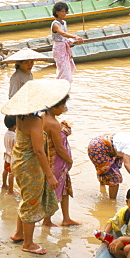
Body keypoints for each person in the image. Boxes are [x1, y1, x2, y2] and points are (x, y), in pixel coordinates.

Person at [1, 78, 70, 256]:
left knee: (26, 198)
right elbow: (39, 152)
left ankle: (19, 234)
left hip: (19, 161)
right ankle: (29, 243)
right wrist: (50, 175)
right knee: (31, 201)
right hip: (29, 165)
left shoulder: (21, 117)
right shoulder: (35, 121)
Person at [42, 93, 77, 227]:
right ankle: (47, 220)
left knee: (64, 188)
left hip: (50, 159)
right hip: (56, 161)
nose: (64, 108)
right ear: (55, 107)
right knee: (55, 189)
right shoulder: (53, 123)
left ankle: (66, 218)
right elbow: (59, 148)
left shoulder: (42, 118)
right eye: (63, 106)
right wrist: (70, 160)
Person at [50, 2, 84, 82]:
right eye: (62, 11)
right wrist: (75, 36)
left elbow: (65, 37)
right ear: (57, 12)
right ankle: (63, 84)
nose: (64, 13)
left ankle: (61, 84)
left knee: (65, 68)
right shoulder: (55, 24)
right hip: (59, 49)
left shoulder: (64, 22)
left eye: (65, 11)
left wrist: (75, 40)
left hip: (64, 47)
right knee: (63, 69)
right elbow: (63, 33)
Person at [2, 115, 16, 194]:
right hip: (12, 157)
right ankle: (11, 191)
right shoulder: (15, 136)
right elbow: (16, 147)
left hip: (6, 155)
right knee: (11, 174)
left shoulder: (6, 133)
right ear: (14, 126)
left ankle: (4, 184)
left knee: (5, 170)